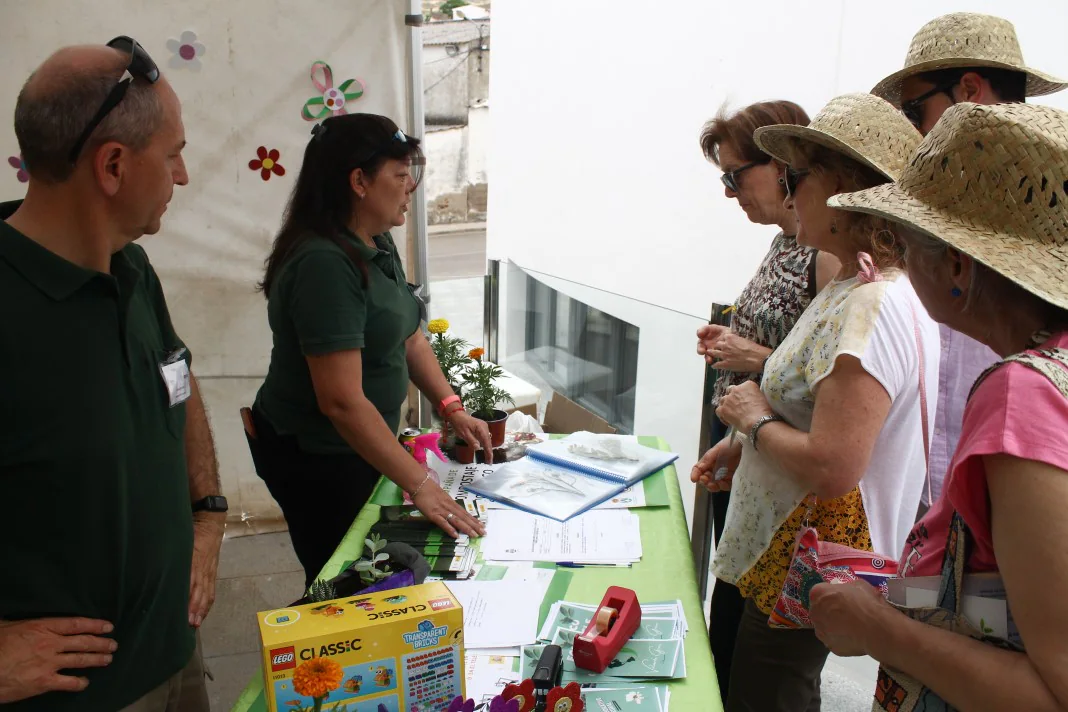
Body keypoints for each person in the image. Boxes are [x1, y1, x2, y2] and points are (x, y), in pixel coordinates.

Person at [810, 102, 1068, 711]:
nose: (893, 255)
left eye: (902, 238)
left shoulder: (1021, 396)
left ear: (955, 265)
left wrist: (878, 630)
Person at [691, 93, 937, 711]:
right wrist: (740, 442)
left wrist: (754, 420)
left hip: (803, 557)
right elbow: (808, 402)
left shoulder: (870, 306)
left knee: (766, 694)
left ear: (848, 190)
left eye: (798, 177)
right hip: (782, 546)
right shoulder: (859, 287)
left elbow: (833, 466)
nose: (788, 190)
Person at [0, 39, 220, 711]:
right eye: (174, 152)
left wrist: (208, 516)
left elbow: (175, 381)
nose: (182, 176)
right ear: (114, 165)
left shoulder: (131, 269)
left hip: (176, 655)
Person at [248, 113, 489, 590]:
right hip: (319, 456)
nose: (410, 188)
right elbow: (341, 401)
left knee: (374, 563)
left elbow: (409, 334)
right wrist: (422, 486)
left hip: (359, 445)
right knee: (344, 577)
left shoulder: (375, 240)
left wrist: (451, 406)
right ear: (358, 181)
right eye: (400, 176)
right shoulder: (324, 264)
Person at [871, 11, 1068, 509]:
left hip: (985, 465)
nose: (914, 129)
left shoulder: (1020, 392)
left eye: (915, 110)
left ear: (970, 88)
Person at [693, 99, 839, 700]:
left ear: (784, 167)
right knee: (733, 649)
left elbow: (819, 384)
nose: (730, 193)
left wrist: (750, 361)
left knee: (768, 675)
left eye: (736, 176)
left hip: (790, 495)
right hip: (756, 462)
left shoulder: (831, 256)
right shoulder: (788, 239)